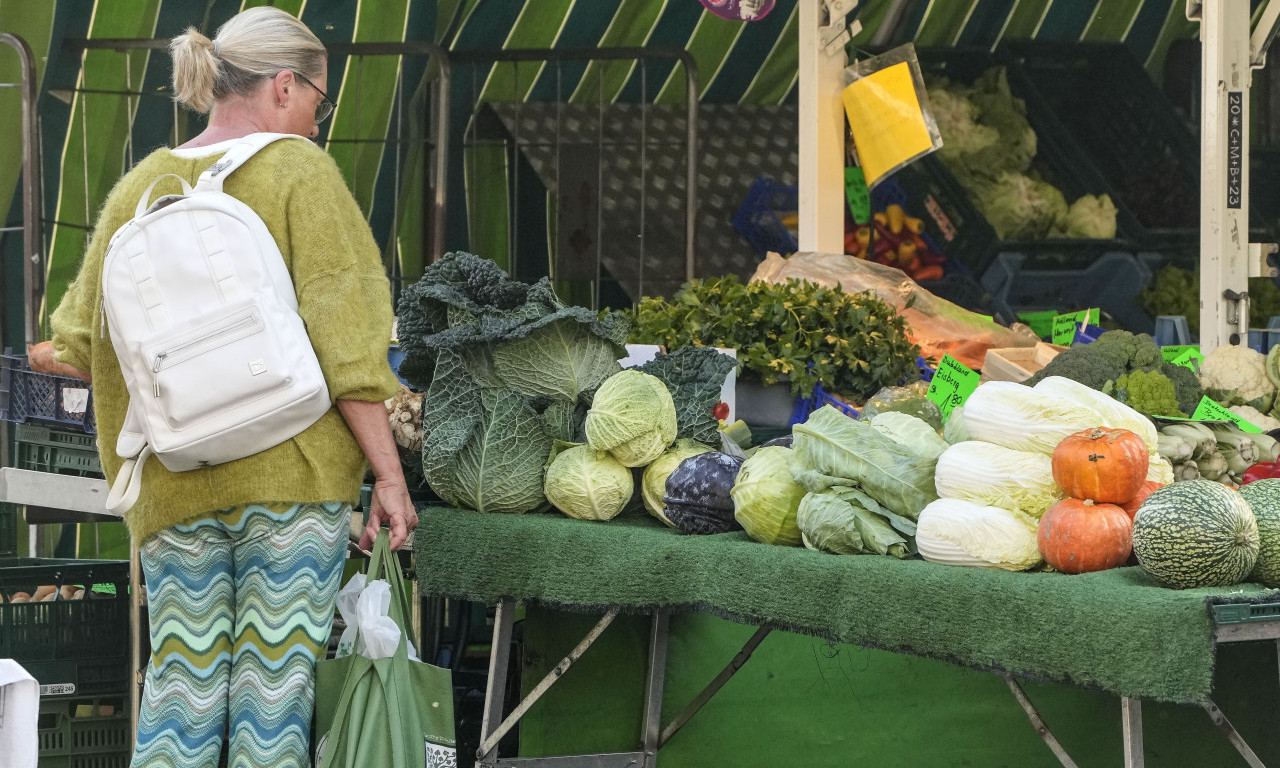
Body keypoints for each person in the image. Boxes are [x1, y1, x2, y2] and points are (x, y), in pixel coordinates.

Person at [27, 7, 417, 767]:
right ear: (282, 86)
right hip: (293, 484)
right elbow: (351, 353)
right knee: (273, 696)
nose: (316, 120)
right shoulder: (301, 172)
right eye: (317, 99)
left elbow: (72, 347)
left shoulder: (142, 184)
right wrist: (390, 477)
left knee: (181, 692)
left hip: (173, 488)